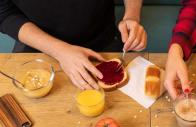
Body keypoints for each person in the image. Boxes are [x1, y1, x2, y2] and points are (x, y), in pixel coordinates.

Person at [0, 0, 147, 90]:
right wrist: (60, 51)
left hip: (103, 41)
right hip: (39, 48)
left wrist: (132, 16)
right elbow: (4, 13)